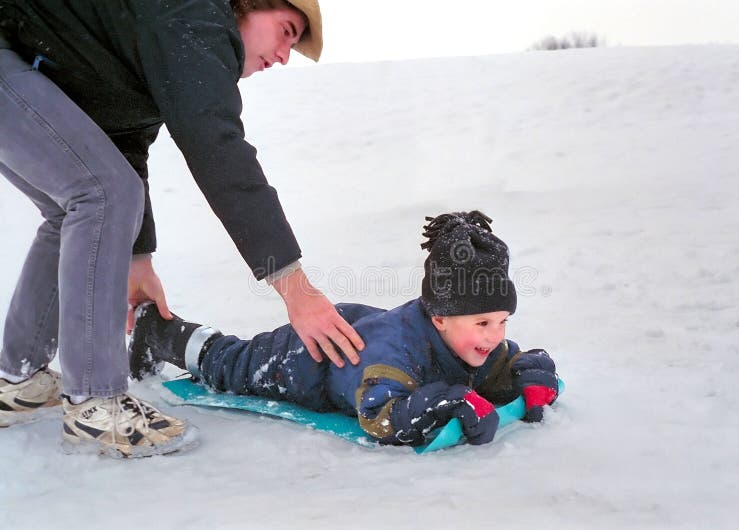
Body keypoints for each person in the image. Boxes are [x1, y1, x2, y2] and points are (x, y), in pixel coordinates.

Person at [0, 0, 364, 458]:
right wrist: (296, 289)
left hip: (17, 61)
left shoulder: (173, 35)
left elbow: (122, 137)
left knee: (77, 202)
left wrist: (138, 258)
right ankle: (96, 401)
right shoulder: (194, 21)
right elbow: (219, 153)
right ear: (250, 6)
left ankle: (18, 379)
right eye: (286, 31)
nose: (284, 55)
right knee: (101, 194)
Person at [129, 212, 560, 446]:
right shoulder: (393, 356)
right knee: (230, 364)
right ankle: (159, 331)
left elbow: (509, 365)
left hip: (362, 323)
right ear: (441, 318)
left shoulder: (473, 342)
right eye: (483, 323)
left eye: (502, 322)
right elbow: (381, 416)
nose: (494, 336)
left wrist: (531, 376)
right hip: (308, 359)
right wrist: (447, 402)